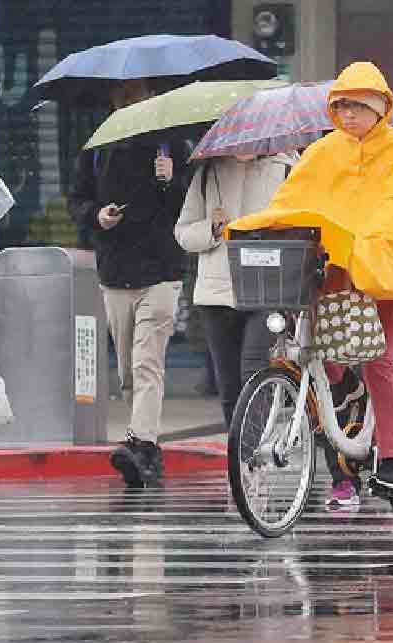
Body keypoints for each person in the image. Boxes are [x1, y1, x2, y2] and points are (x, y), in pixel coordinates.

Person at [230, 61, 393, 506]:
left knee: (379, 358)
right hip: (345, 275)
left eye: (358, 106)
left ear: (381, 108)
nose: (349, 114)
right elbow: (293, 201)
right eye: (341, 106)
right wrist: (261, 227)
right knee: (319, 353)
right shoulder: (324, 153)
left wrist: (371, 239)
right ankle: (350, 399)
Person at [70, 78, 191, 488]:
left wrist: (172, 179)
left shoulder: (169, 144)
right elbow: (78, 200)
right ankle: (148, 453)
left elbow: (189, 203)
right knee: (127, 372)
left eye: (138, 95)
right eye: (123, 97)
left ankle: (142, 444)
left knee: (146, 363)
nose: (131, 103)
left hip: (161, 270)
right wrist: (96, 216)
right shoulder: (98, 147)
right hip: (116, 271)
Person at [175, 152, 295, 428]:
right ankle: (239, 460)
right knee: (227, 384)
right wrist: (212, 228)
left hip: (267, 288)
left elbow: (306, 227)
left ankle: (251, 451)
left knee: (253, 371)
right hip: (216, 293)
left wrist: (275, 231)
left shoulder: (287, 170)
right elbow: (182, 233)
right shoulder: (208, 173)